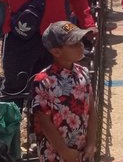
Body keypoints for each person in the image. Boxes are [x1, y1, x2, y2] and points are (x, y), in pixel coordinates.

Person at [31, 22, 98, 162]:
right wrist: (64, 152)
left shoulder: (83, 72)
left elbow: (91, 110)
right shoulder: (43, 81)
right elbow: (44, 122)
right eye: (73, 43)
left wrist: (91, 144)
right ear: (56, 51)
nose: (81, 45)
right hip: (55, 155)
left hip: (82, 152)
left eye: (80, 40)